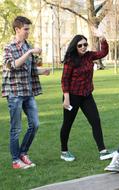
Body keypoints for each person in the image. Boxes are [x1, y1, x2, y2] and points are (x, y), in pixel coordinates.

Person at [2, 16, 50, 169]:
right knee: (16, 129)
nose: (28, 32)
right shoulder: (8, 47)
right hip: (15, 93)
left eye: (29, 29)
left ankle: (23, 153)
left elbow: (29, 69)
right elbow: (13, 65)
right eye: (26, 29)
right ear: (17, 29)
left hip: (28, 92)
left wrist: (42, 71)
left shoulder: (27, 46)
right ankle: (16, 161)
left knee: (35, 124)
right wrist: (29, 52)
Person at [60, 33, 113, 161]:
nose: (83, 47)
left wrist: (103, 41)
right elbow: (64, 80)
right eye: (80, 45)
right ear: (75, 46)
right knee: (67, 124)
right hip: (72, 96)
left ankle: (103, 151)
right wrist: (66, 98)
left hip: (87, 95)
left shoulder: (89, 56)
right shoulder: (70, 59)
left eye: (85, 44)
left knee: (95, 120)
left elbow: (103, 53)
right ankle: (64, 151)